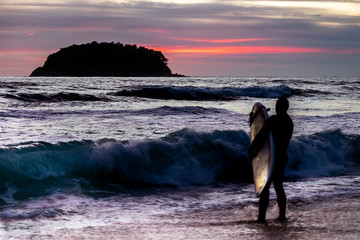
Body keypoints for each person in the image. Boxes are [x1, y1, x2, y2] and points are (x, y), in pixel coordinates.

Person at [248, 97, 293, 222]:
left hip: (270, 157)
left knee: (265, 187)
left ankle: (261, 217)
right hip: (282, 156)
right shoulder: (289, 122)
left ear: (281, 107)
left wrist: (252, 150)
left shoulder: (274, 120)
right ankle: (282, 216)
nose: (276, 107)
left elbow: (261, 136)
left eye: (278, 105)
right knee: (278, 186)